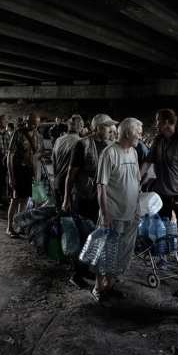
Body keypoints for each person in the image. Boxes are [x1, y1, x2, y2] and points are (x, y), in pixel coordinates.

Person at [62, 113, 118, 288]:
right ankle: (76, 274)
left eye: (111, 126)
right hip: (84, 196)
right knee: (83, 236)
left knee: (97, 235)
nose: (111, 130)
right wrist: (66, 198)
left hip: (102, 199)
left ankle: (87, 268)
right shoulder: (82, 145)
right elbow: (70, 175)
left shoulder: (110, 146)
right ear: (97, 128)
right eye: (107, 126)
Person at [92, 117, 143, 301]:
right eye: (138, 132)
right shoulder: (109, 153)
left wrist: (137, 208)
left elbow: (137, 182)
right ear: (128, 133)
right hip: (113, 214)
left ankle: (110, 285)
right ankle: (98, 288)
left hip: (130, 215)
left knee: (122, 253)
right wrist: (105, 215)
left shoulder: (134, 153)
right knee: (105, 251)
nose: (140, 135)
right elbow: (101, 187)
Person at [142, 109, 178, 249]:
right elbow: (148, 161)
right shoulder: (158, 139)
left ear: (166, 122)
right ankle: (163, 257)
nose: (156, 124)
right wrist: (137, 180)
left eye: (157, 121)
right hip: (161, 192)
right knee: (161, 228)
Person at [6, 113, 41, 238]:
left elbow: (36, 154)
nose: (34, 126)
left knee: (25, 199)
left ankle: (20, 226)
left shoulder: (37, 134)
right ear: (27, 122)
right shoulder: (18, 133)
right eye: (32, 123)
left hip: (29, 171)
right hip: (17, 170)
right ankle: (9, 227)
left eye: (36, 124)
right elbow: (10, 155)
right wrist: (11, 176)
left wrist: (36, 173)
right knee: (15, 199)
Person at [52, 114, 83, 209]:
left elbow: (54, 162)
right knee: (70, 219)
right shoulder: (80, 142)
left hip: (57, 183)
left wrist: (55, 181)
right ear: (80, 127)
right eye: (82, 126)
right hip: (70, 188)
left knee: (59, 215)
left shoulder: (58, 140)